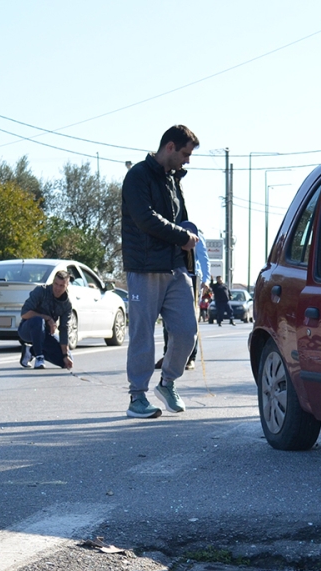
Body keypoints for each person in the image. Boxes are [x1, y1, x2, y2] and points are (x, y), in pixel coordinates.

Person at [121, 124, 201, 419]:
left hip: (176, 268)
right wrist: (182, 237)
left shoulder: (173, 180)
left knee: (187, 332)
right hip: (145, 268)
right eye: (185, 154)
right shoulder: (137, 176)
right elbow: (145, 218)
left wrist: (189, 239)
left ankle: (167, 383)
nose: (187, 160)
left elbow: (180, 220)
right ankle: (137, 397)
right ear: (169, 147)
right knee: (142, 335)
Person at [156, 220, 210, 372]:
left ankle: (190, 358)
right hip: (173, 275)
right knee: (168, 319)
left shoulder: (196, 233)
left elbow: (204, 259)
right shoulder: (170, 230)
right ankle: (168, 355)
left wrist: (206, 281)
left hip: (192, 278)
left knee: (190, 320)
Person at [17, 269, 74, 370]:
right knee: (38, 320)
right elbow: (24, 314)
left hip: (46, 334)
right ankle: (39, 357)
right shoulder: (41, 291)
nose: (57, 288)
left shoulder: (67, 304)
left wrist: (65, 355)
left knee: (65, 361)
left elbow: (64, 329)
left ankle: (30, 351)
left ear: (67, 286)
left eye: (61, 286)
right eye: (56, 284)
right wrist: (47, 318)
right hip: (28, 330)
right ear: (53, 282)